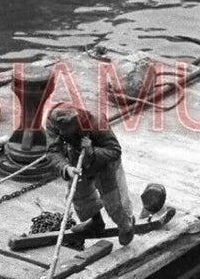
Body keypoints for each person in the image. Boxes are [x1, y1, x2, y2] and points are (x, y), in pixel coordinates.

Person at [43, 105, 135, 246]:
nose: (61, 133)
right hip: (76, 160)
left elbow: (114, 150)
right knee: (80, 195)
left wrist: (92, 151)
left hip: (105, 164)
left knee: (113, 200)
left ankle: (126, 226)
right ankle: (96, 223)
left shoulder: (98, 123)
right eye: (60, 130)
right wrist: (66, 168)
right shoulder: (52, 122)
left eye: (66, 131)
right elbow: (52, 151)